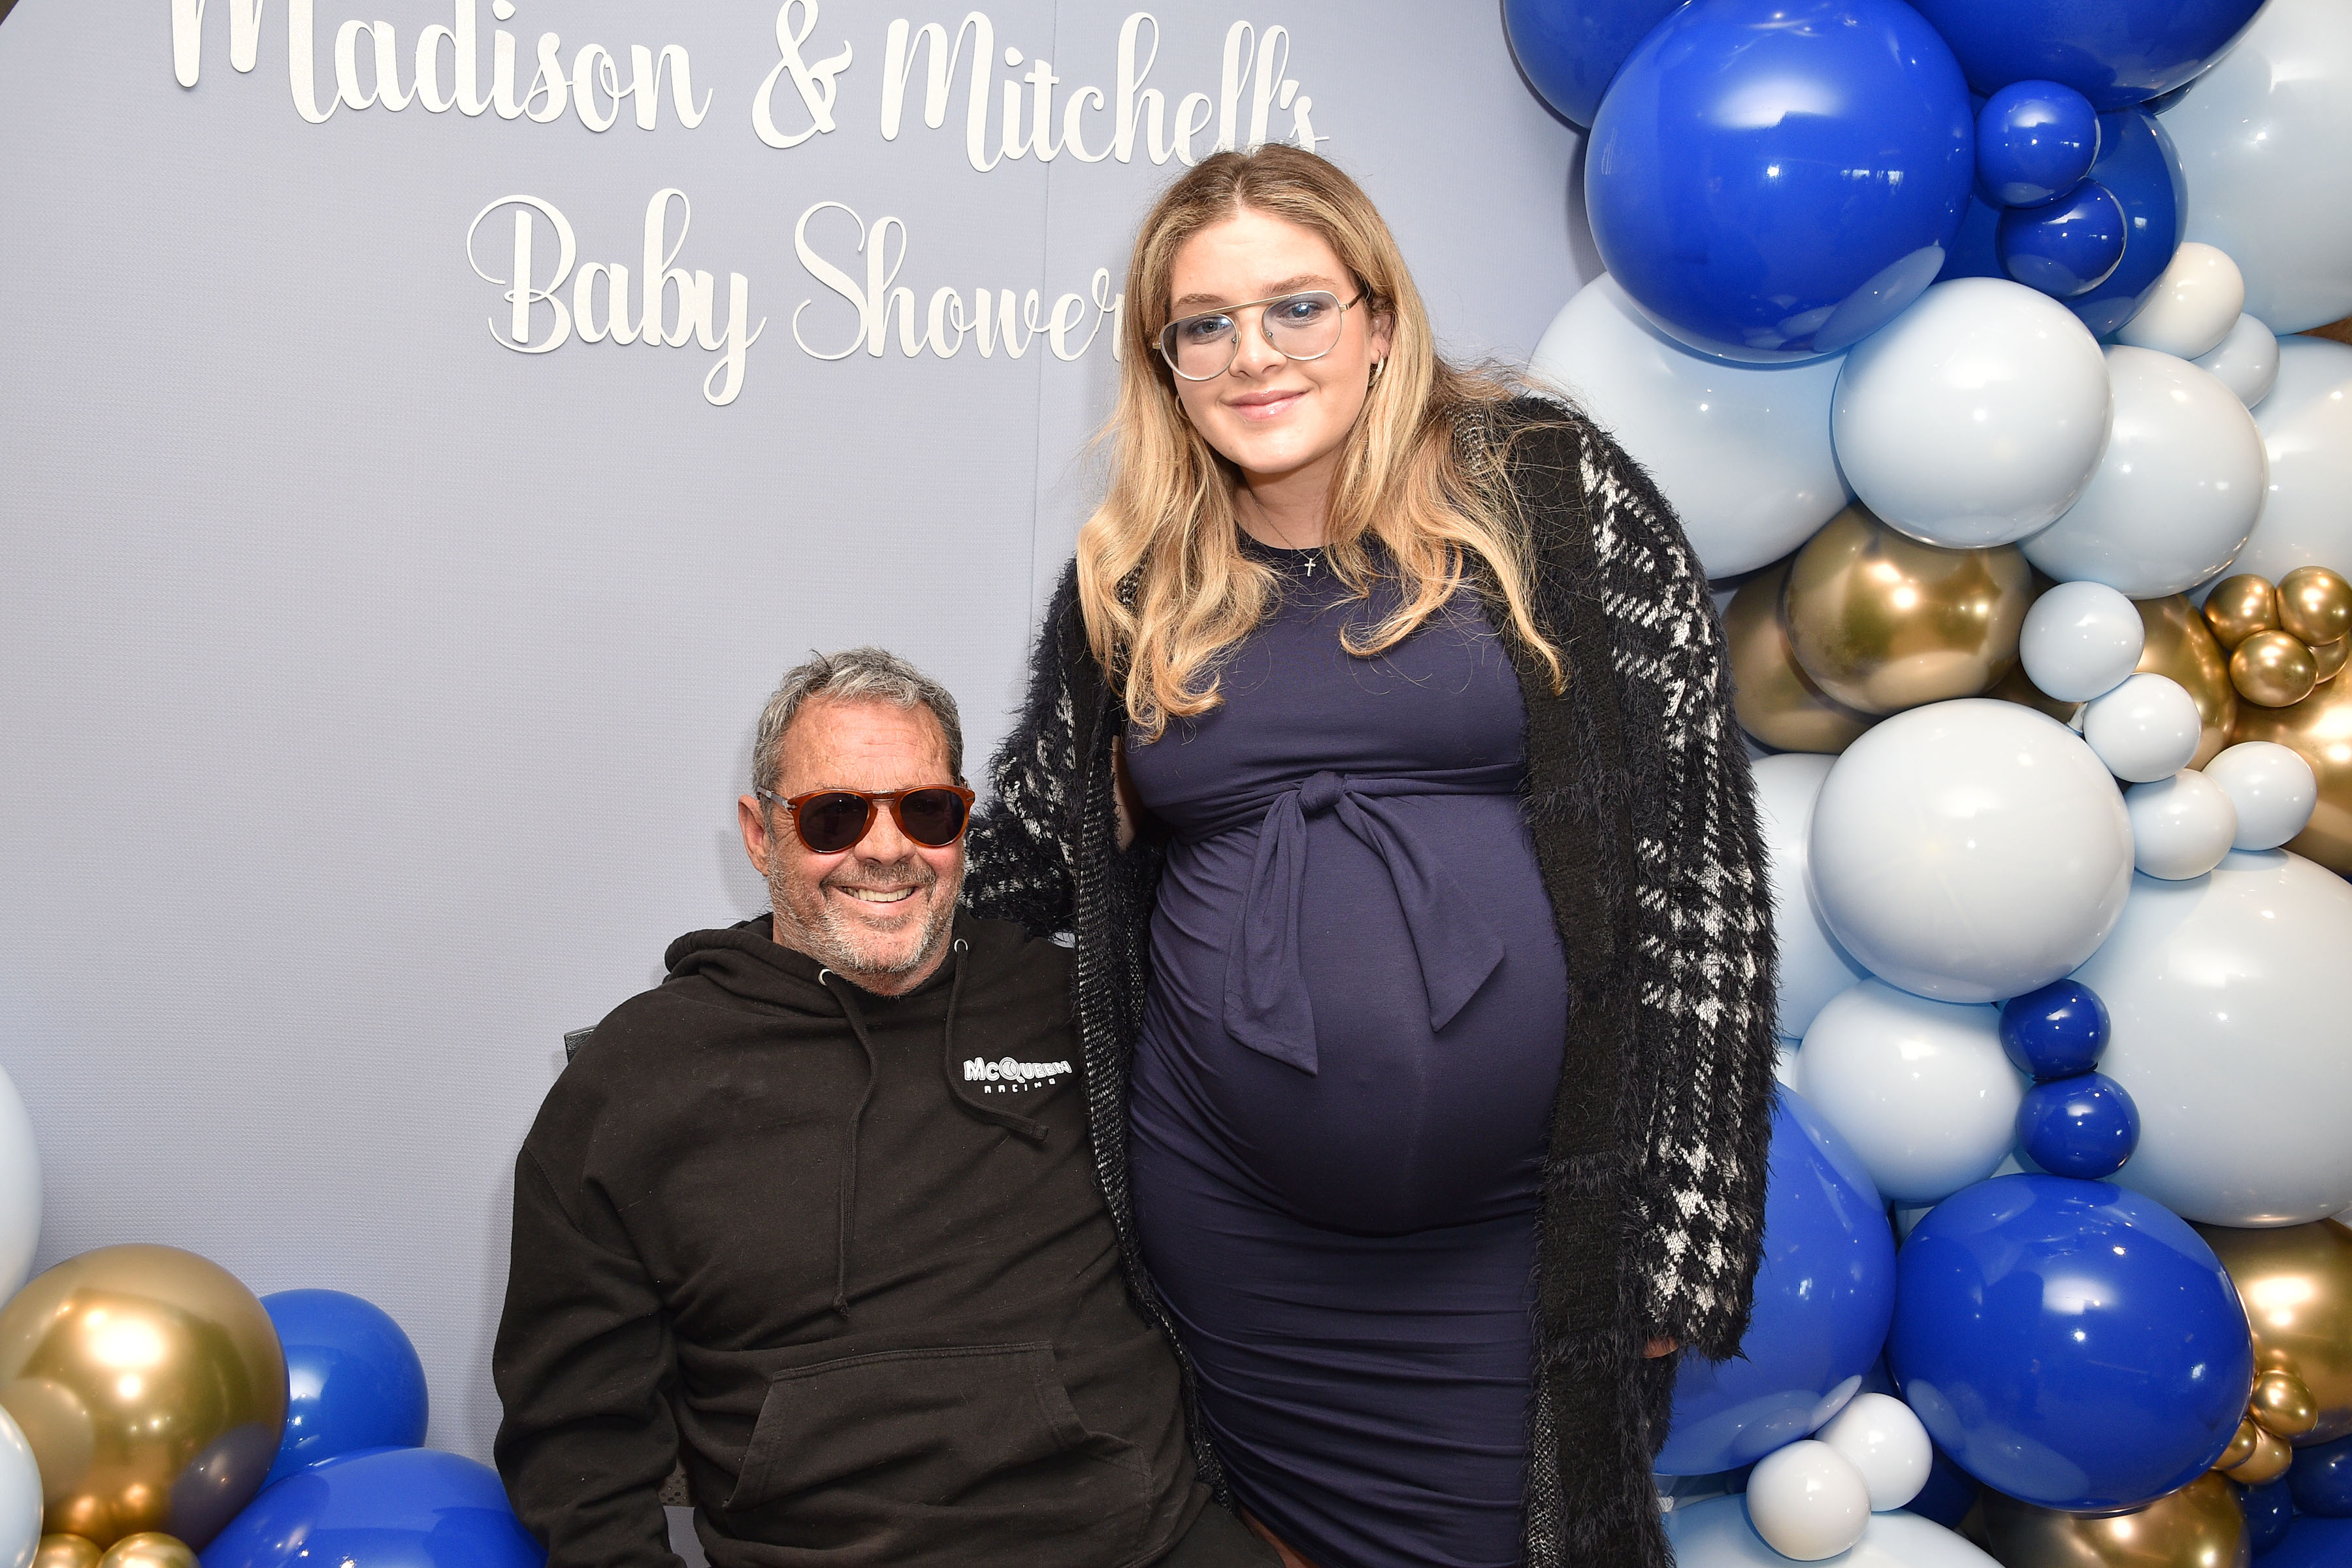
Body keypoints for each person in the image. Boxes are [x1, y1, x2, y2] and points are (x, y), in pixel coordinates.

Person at [962, 147, 1778, 1568]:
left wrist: (1683, 1235)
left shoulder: (1557, 497)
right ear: (1165, 365)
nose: (1251, 355)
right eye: (1203, 325)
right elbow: (1031, 856)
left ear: (1380, 317)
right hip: (1232, 1237)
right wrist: (824, 937)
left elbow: (1700, 873)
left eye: (1297, 307)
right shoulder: (1135, 577)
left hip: (1524, 1232)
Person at [493, 648, 1277, 1568]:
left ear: (963, 824)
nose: (886, 848)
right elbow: (577, 1442)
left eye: (926, 811)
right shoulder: (635, 1079)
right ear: (759, 833)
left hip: (1143, 1546)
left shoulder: (1080, 1005)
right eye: (835, 815)